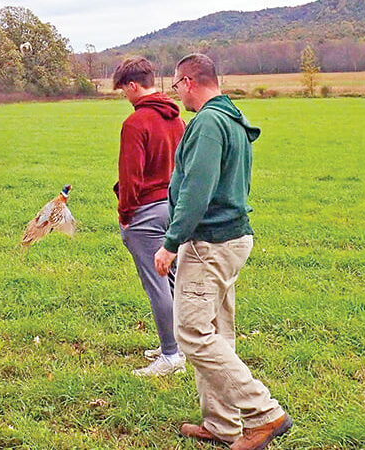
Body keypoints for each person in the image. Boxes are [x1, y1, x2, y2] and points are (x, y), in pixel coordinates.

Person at [154, 54, 292, 449]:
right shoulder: (230, 117)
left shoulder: (210, 124)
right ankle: (222, 424)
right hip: (229, 239)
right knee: (217, 331)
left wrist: (171, 243)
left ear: (189, 81)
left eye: (177, 85)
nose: (176, 93)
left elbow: (197, 190)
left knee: (193, 333)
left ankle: (263, 413)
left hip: (209, 243)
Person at [112, 58, 186, 376]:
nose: (125, 98)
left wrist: (125, 213)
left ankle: (170, 356)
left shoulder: (136, 123)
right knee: (172, 281)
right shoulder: (177, 119)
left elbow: (131, 176)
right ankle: (178, 344)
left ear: (133, 86)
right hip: (174, 208)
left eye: (123, 91)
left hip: (146, 213)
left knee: (156, 285)